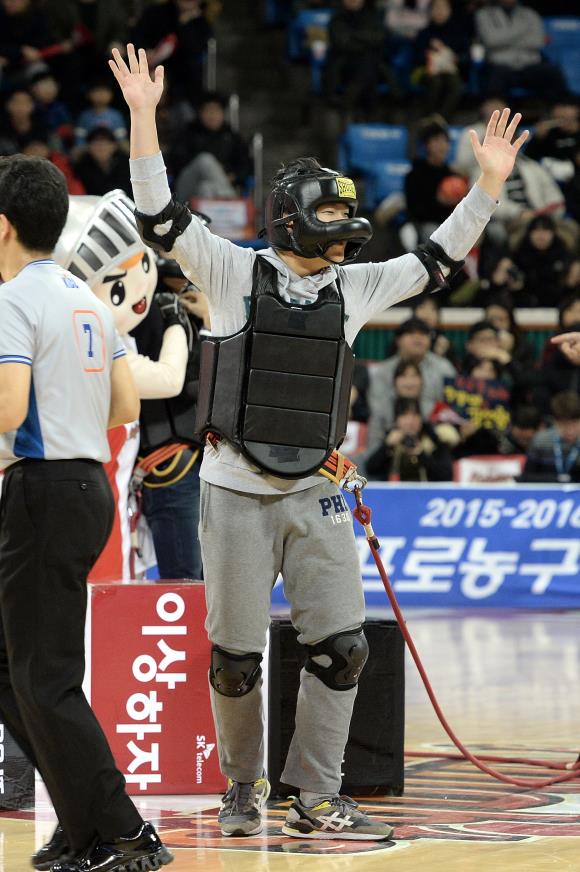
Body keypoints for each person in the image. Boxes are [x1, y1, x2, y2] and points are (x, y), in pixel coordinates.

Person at [110, 41, 528, 843]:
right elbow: (158, 214)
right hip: (233, 493)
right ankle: (242, 785)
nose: (346, 228)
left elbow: (439, 258)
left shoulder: (357, 287)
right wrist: (142, 116)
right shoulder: (229, 271)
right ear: (292, 216)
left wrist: (488, 185)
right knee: (235, 660)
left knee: (343, 650)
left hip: (318, 491)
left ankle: (317, 795)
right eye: (331, 216)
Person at [0, 156, 172, 872]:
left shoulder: (12, 301)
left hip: (42, 492)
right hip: (85, 486)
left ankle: (122, 830)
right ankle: (80, 824)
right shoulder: (87, 297)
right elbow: (125, 405)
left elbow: (9, 410)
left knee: (45, 679)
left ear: (2, 227)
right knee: (13, 669)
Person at [131, 254, 210, 581]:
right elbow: (194, 387)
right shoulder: (142, 309)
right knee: (185, 581)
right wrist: (208, 324)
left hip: (210, 464)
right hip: (171, 464)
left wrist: (210, 318)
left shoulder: (204, 307)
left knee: (213, 583)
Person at [367, 316, 456, 452]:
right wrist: (404, 425)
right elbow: (377, 407)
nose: (418, 338)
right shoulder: (383, 370)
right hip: (391, 430)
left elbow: (453, 406)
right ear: (398, 340)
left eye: (423, 334)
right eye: (411, 333)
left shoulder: (444, 367)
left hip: (433, 431)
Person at [475, 0, 567, 100]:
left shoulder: (531, 14)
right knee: (495, 76)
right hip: (500, 65)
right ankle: (497, 108)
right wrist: (523, 32)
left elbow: (537, 42)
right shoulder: (484, 14)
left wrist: (502, 39)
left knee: (552, 72)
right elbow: (491, 40)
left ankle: (561, 107)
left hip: (529, 65)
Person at [365, 396, 453, 481]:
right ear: (396, 419)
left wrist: (421, 455)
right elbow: (370, 469)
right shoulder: (391, 438)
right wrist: (386, 446)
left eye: (415, 415)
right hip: (395, 490)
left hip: (426, 490)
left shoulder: (433, 439)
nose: (410, 421)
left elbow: (446, 475)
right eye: (405, 415)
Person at [521, 391, 580, 483]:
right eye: (564, 425)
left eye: (575, 424)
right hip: (546, 491)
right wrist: (558, 479)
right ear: (554, 422)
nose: (570, 431)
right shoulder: (540, 441)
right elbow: (526, 478)